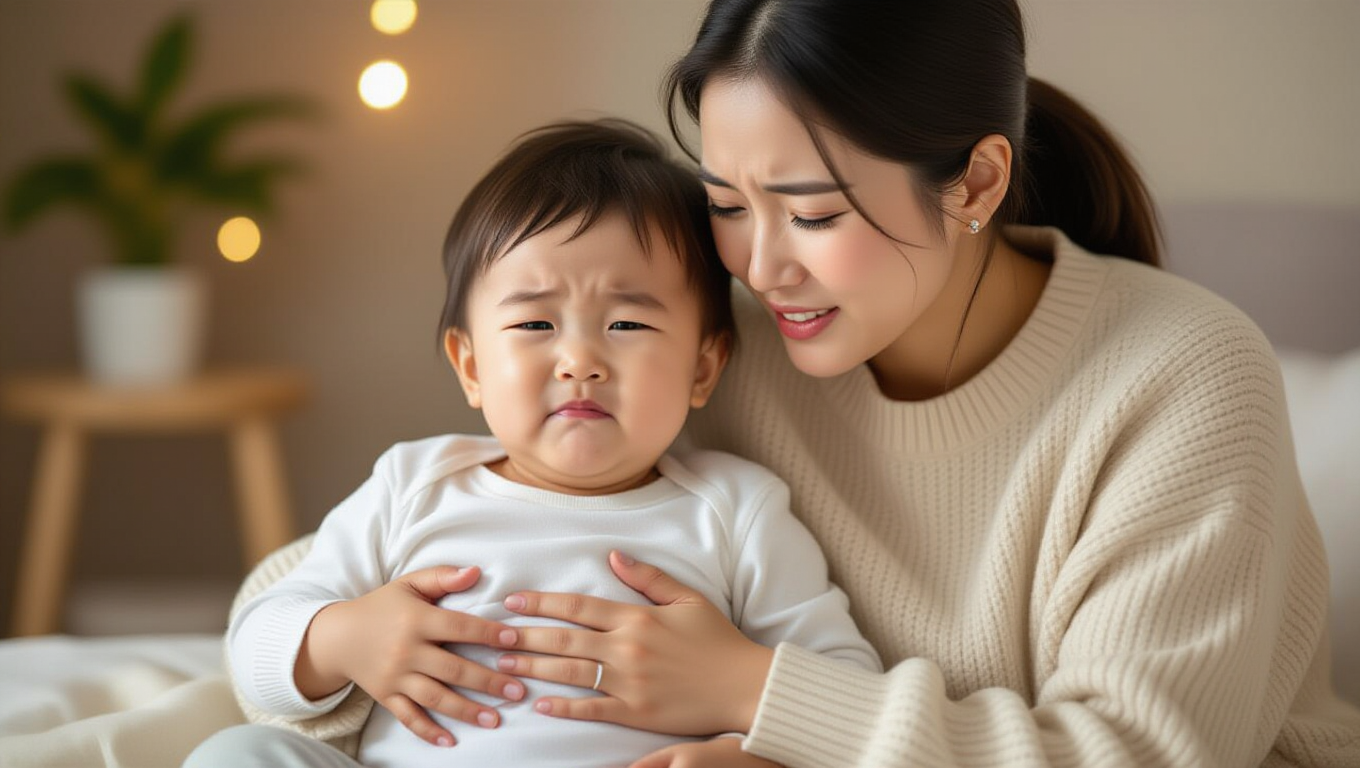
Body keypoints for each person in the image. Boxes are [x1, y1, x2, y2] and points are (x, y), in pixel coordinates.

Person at [441, 2, 1360, 766]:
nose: (760, 266)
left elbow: (1128, 753)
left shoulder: (1186, 372)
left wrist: (749, 691)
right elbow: (438, 521)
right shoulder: (717, 356)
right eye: (726, 204)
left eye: (812, 213)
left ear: (975, 184)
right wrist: (331, 642)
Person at [183, 119, 880, 768]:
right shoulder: (414, 483)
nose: (579, 360)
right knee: (236, 755)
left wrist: (749, 754)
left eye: (628, 325)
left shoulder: (736, 509)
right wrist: (344, 639)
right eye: (535, 326)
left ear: (703, 367)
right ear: (473, 367)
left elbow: (840, 687)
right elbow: (257, 643)